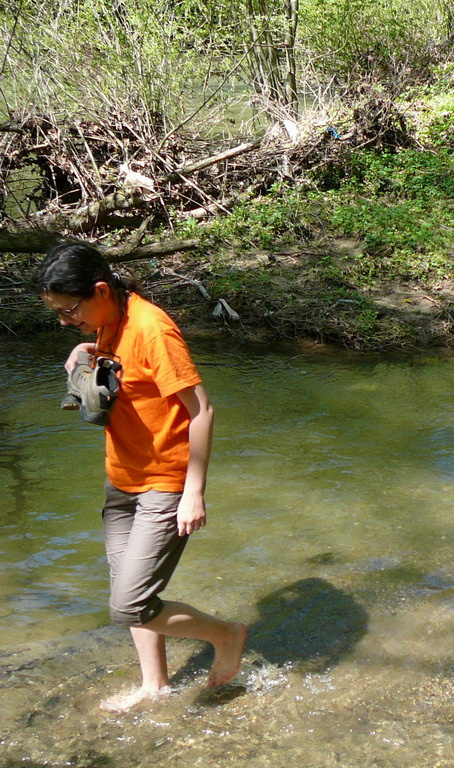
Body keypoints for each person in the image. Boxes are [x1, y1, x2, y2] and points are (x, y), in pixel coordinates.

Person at [34, 243, 247, 711]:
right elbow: (122, 372)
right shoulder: (108, 319)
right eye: (59, 314)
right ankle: (155, 685)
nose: (66, 320)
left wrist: (194, 492)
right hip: (121, 478)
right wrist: (82, 352)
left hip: (165, 482)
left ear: (101, 291)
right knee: (128, 593)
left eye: (70, 311)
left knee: (130, 605)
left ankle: (227, 634)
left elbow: (203, 410)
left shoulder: (153, 329)